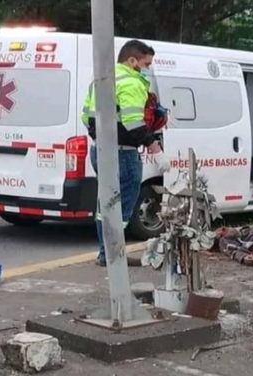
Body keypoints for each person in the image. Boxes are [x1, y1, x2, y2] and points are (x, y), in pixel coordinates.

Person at [81, 40, 163, 267]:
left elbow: (85, 116)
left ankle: (105, 255)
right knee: (121, 206)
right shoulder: (132, 82)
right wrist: (156, 150)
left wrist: (101, 137)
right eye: (146, 64)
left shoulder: (100, 80)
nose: (147, 69)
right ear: (132, 60)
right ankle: (115, 256)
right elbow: (134, 123)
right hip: (124, 154)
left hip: (100, 151)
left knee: (105, 203)